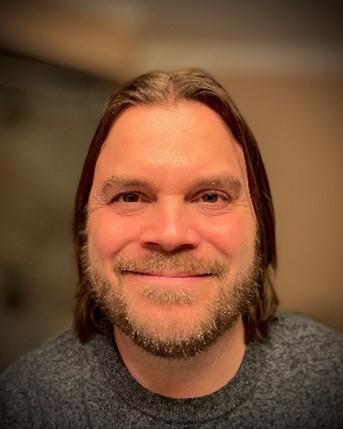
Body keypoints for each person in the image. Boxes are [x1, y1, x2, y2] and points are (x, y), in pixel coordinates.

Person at [1, 69, 342, 429]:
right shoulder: (23, 406)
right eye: (130, 196)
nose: (170, 233)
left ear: (261, 225)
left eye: (211, 196)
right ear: (85, 224)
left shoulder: (332, 383)